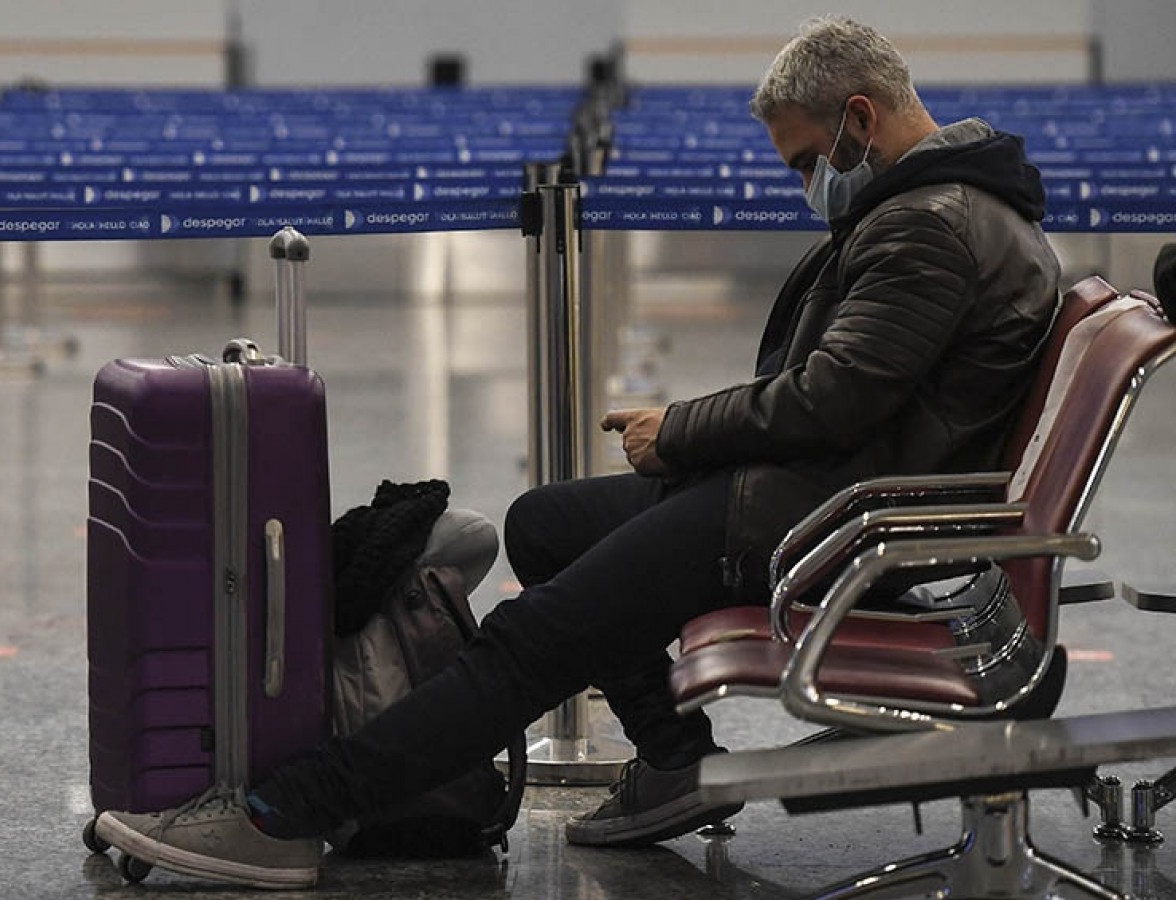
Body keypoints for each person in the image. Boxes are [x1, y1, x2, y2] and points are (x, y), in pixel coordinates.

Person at [94, 15, 1062, 889]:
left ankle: (281, 812)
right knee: (541, 523)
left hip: (813, 520)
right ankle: (676, 760)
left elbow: (827, 402)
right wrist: (685, 434)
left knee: (532, 641)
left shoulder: (929, 229)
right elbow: (844, 399)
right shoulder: (944, 207)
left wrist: (676, 430)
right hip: (809, 492)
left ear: (861, 117)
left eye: (809, 160)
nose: (809, 184)